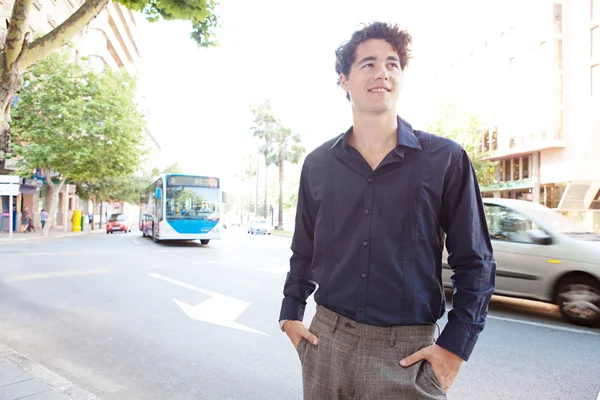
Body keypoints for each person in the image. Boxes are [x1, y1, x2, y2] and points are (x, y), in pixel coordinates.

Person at [278, 22, 496, 399]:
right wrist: (290, 313)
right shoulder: (317, 164)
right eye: (368, 64)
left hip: (407, 355)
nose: (382, 72)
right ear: (344, 80)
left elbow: (475, 261)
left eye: (392, 63)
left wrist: (456, 347)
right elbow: (304, 248)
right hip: (326, 343)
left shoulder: (445, 159)